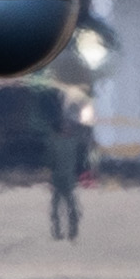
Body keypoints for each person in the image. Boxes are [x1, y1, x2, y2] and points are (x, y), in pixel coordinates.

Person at [44, 84, 92, 242]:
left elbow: (81, 157)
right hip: (59, 176)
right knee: (57, 207)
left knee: (70, 206)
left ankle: (72, 231)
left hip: (69, 176)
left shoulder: (73, 141)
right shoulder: (57, 140)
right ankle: (58, 231)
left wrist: (83, 171)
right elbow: (50, 159)